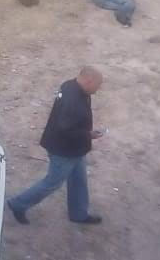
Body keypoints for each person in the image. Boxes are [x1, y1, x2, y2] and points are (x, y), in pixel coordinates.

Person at [6, 67, 105, 226]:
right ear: (88, 81)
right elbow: (65, 129)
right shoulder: (72, 100)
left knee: (79, 179)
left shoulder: (70, 85)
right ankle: (18, 204)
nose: (98, 90)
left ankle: (78, 214)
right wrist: (89, 135)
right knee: (52, 182)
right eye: (97, 86)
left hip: (75, 148)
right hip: (63, 150)